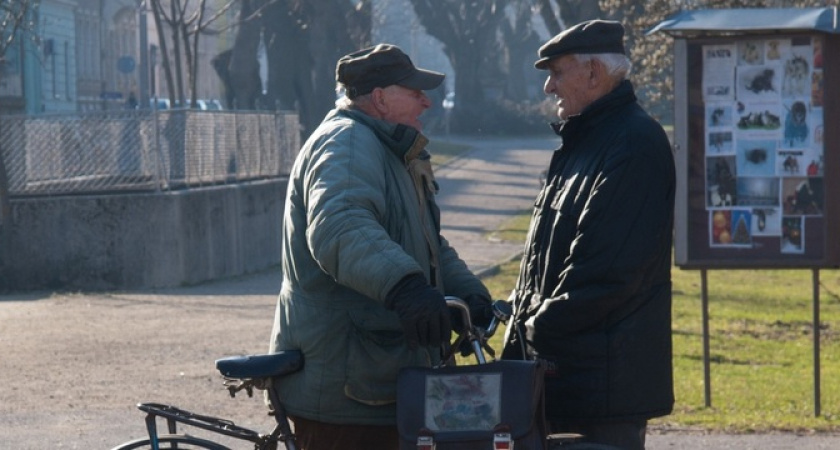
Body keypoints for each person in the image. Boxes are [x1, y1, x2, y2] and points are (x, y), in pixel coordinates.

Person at [268, 43, 493, 450]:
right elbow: (340, 227)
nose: (426, 101)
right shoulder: (348, 143)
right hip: (348, 392)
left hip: (380, 379)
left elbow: (426, 241)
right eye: (415, 91)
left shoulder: (388, 148)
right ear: (380, 98)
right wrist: (406, 288)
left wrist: (470, 295)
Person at [500, 20, 676, 450]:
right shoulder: (585, 141)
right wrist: (515, 315)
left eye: (557, 73)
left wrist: (532, 330)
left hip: (600, 391)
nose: (549, 87)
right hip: (567, 379)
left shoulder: (633, 143)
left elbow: (606, 273)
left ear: (593, 72)